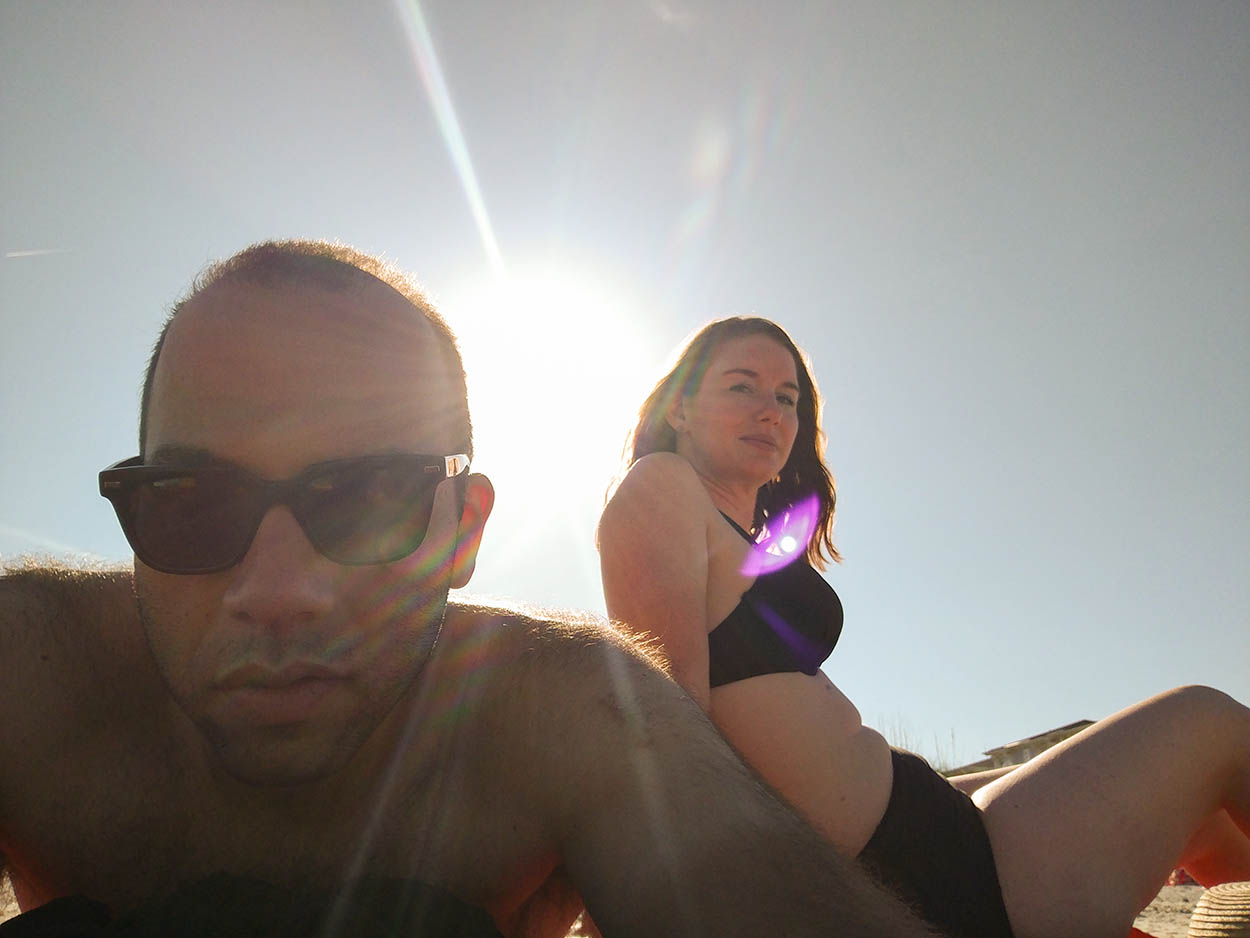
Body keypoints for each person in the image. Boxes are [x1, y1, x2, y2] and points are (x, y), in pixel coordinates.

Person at [0, 243, 947, 938]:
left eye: (370, 501)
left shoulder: (563, 709)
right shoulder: (26, 673)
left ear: (467, 529)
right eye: (190, 504)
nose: (277, 592)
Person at [597, 315, 1250, 938]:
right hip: (919, 876)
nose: (772, 410)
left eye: (788, 397)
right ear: (679, 408)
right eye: (742, 386)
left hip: (920, 820)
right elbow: (667, 718)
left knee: (1210, 821)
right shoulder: (662, 484)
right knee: (1213, 721)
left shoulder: (746, 537)